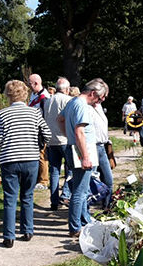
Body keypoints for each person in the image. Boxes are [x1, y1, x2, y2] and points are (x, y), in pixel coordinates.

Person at [0, 80, 51, 248]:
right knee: (27, 196)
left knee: (10, 198)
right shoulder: (34, 113)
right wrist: (37, 142)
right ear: (25, 94)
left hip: (9, 159)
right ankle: (27, 231)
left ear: (8, 95)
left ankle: (8, 236)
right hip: (30, 159)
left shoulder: (2, 114)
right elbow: (47, 133)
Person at [58, 78, 107, 237]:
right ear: (93, 93)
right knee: (80, 192)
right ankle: (75, 228)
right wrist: (85, 156)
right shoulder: (82, 106)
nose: (98, 102)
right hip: (81, 152)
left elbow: (60, 119)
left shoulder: (72, 102)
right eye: (99, 99)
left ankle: (83, 221)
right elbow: (80, 131)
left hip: (74, 148)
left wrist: (68, 136)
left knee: (81, 189)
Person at [43, 77, 73, 211]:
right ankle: (65, 194)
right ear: (66, 89)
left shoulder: (48, 100)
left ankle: (54, 201)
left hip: (51, 140)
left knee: (54, 171)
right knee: (71, 168)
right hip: (64, 139)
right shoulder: (68, 100)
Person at [90, 80, 113, 210]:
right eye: (102, 96)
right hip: (92, 147)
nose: (103, 99)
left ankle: (107, 207)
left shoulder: (98, 106)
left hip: (102, 146)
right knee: (91, 181)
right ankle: (86, 210)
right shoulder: (86, 106)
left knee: (108, 180)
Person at [28, 73, 51, 191]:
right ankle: (37, 179)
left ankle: (44, 180)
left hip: (41, 130)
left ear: (36, 83)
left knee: (42, 155)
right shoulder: (33, 95)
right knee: (36, 155)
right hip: (33, 129)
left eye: (30, 83)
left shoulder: (44, 97)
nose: (28, 86)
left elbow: (45, 115)